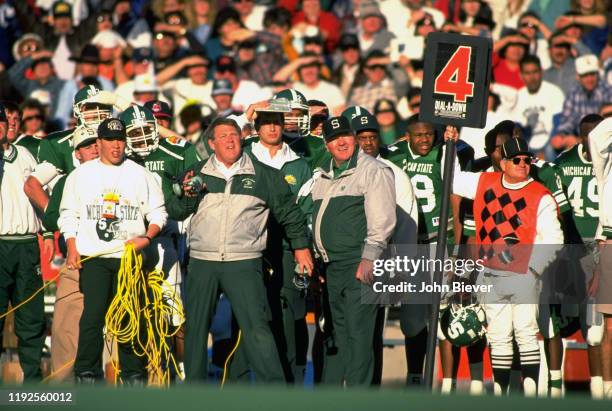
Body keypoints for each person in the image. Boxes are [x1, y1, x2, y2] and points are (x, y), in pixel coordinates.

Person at [166, 117, 313, 383]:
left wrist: (302, 249)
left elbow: (291, 215)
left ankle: (276, 393)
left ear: (242, 139)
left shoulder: (264, 174)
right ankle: (194, 395)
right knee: (196, 330)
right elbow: (176, 211)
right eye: (223, 136)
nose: (230, 140)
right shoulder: (197, 172)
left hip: (244, 261)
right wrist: (186, 195)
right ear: (211, 144)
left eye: (234, 135)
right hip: (203, 261)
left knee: (257, 328)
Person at [449, 131, 564, 396]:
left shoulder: (541, 195)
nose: (523, 164)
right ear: (503, 163)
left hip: (524, 276)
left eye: (527, 160)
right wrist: (451, 143)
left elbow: (555, 239)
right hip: (489, 273)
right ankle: (501, 394)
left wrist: (533, 269)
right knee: (498, 336)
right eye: (516, 160)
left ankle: (530, 392)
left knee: (525, 333)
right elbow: (452, 179)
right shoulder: (483, 181)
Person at [58, 117, 167, 383]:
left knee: (129, 317)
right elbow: (68, 214)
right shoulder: (81, 175)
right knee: (92, 317)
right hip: (94, 257)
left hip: (129, 258)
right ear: (99, 143)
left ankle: (133, 376)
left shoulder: (141, 174)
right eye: (110, 140)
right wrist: (72, 247)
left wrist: (148, 237)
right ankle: (87, 373)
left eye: (120, 140)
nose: (116, 146)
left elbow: (158, 213)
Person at [310, 115, 396, 386]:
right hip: (332, 267)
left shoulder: (372, 170)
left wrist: (369, 257)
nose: (341, 142)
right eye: (334, 139)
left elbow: (382, 220)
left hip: (359, 263)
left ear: (354, 138)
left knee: (359, 337)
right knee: (336, 334)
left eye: (345, 136)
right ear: (326, 144)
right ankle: (332, 398)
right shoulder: (323, 174)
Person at [242, 107, 313, 382]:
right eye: (266, 122)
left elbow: (305, 210)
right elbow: (212, 143)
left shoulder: (299, 164)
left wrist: (301, 248)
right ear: (256, 126)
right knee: (250, 312)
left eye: (277, 122)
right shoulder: (243, 155)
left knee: (290, 314)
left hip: (287, 248)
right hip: (249, 248)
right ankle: (247, 379)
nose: (272, 128)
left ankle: (290, 378)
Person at [0, 103, 51, 381]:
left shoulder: (27, 157)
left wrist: (46, 232)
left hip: (26, 245)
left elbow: (39, 196)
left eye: (15, 119)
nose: (10, 124)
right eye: (6, 118)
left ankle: (32, 382)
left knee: (31, 317)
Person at [555, 113, 605, 398]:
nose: (591, 140)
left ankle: (598, 388)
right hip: (571, 249)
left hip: (601, 248)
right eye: (586, 134)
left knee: (594, 329)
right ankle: (553, 387)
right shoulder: (563, 162)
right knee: (561, 322)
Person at [45, 125, 99, 382]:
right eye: (88, 146)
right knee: (66, 331)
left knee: (111, 328)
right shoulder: (68, 180)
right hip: (76, 262)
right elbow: (52, 217)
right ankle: (61, 393)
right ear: (77, 153)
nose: (95, 149)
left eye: (97, 143)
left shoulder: (120, 176)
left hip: (109, 260)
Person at [587, 117, 612, 400]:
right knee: (609, 328)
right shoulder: (606, 167)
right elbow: (597, 136)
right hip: (611, 241)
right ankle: (607, 390)